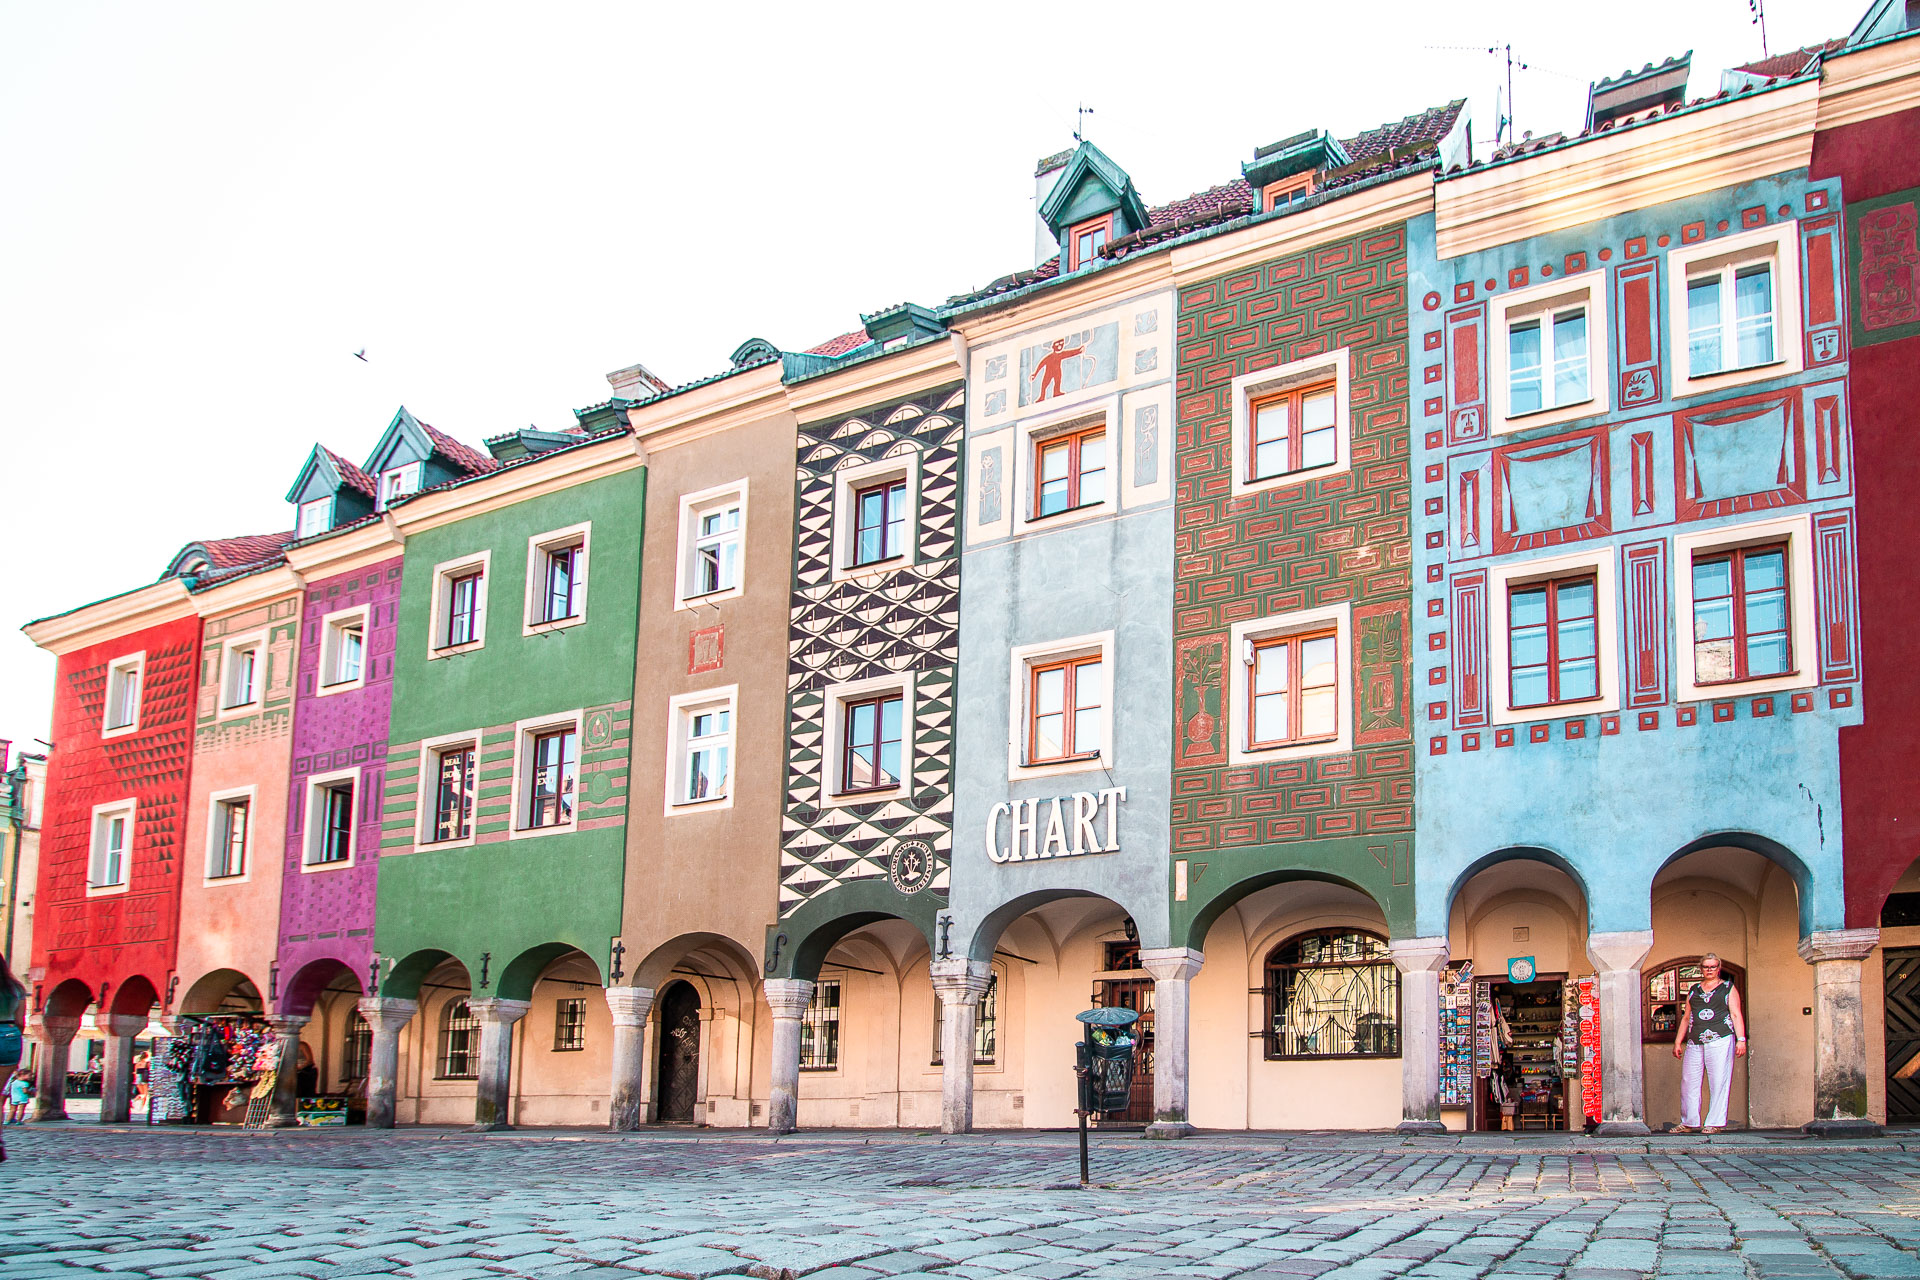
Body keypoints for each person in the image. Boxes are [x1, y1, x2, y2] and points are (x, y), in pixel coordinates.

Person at [1672, 953, 1746, 1133]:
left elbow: (1735, 1014)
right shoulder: (1694, 989)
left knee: (1719, 1079)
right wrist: (1678, 1041)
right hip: (1695, 1039)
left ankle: (1715, 1122)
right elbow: (1686, 1017)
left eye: (1713, 967)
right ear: (1701, 969)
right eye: (1706, 967)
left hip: (1720, 1037)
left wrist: (1741, 1039)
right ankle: (1689, 1121)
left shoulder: (1728, 988)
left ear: (1718, 968)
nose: (1709, 970)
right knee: (1689, 1080)